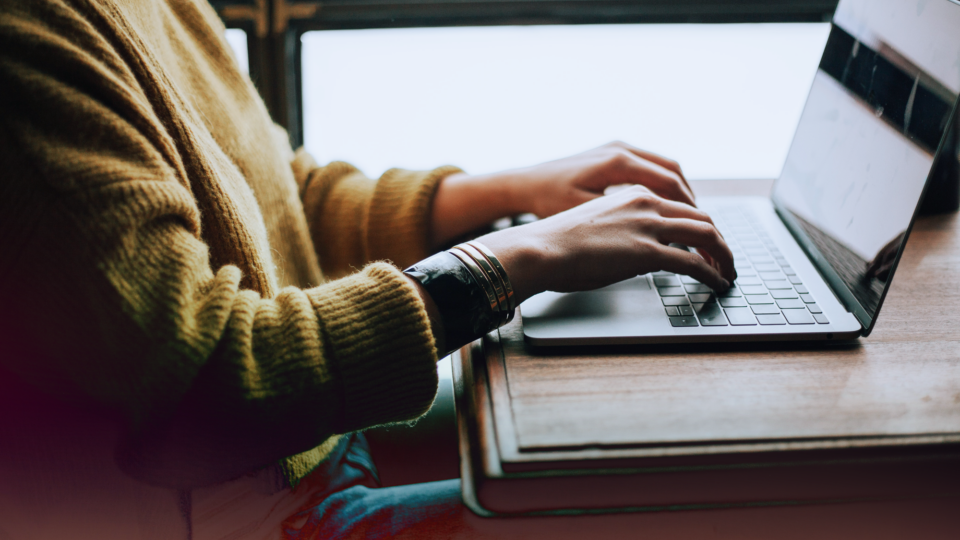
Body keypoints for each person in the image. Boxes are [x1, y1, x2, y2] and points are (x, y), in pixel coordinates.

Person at [0, 0, 734, 538]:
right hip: (239, 510)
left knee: (666, 440)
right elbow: (203, 379)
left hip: (304, 444)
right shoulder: (25, 44)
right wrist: (511, 261)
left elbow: (278, 198)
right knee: (687, 512)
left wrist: (510, 194)